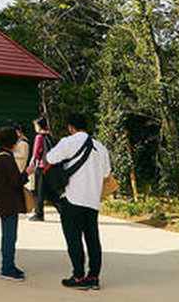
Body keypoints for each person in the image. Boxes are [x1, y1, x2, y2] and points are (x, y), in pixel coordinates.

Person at [46, 112, 110, 291]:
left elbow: (50, 158)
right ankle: (94, 277)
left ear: (71, 127)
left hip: (73, 198)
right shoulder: (101, 148)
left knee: (74, 239)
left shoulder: (69, 141)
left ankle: (78, 276)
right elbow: (106, 174)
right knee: (93, 239)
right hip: (93, 201)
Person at [0, 127, 28, 282]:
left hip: (3, 201)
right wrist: (28, 173)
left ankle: (9, 265)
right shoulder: (7, 158)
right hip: (9, 202)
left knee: (8, 235)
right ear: (13, 142)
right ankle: (7, 268)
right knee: (10, 236)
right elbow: (16, 181)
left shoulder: (0, 156)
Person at [27, 117, 55, 221]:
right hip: (49, 166)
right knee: (48, 191)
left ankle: (39, 214)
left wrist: (31, 166)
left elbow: (35, 154)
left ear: (38, 126)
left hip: (40, 166)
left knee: (38, 192)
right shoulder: (49, 136)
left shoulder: (39, 137)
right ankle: (62, 209)